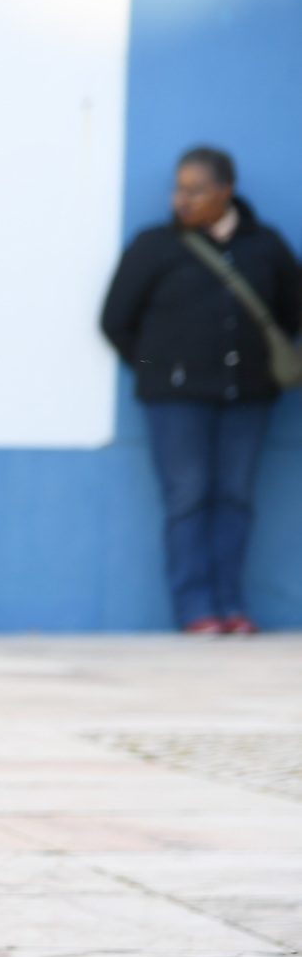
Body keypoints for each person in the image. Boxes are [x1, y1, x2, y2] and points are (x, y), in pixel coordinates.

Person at [101, 146, 300, 634]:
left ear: (225, 191)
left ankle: (231, 604)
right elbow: (115, 320)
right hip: (175, 403)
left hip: (248, 398)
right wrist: (157, 370)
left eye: (195, 189)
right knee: (187, 498)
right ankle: (195, 608)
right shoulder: (155, 245)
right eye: (178, 189)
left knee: (235, 498)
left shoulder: (264, 245)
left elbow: (292, 313)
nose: (182, 199)